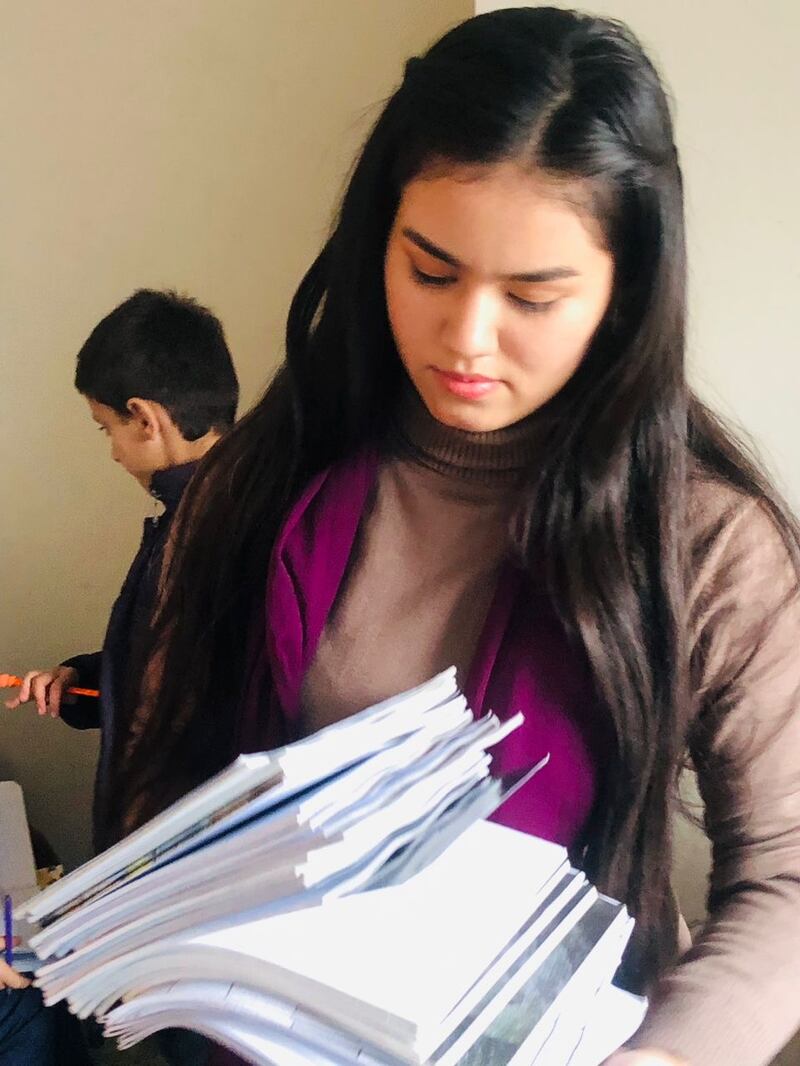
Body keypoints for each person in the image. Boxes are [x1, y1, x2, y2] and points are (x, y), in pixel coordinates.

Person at [115, 9, 800, 1066]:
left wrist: (665, 1056)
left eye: (532, 296)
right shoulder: (256, 483)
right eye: (429, 272)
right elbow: (168, 772)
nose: (465, 339)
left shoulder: (706, 542)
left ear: (620, 294)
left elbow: (785, 876)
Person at [5, 288, 239, 857]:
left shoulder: (213, 532)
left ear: (143, 418)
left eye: (105, 427)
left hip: (183, 849)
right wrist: (80, 682)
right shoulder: (207, 509)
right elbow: (160, 665)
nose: (112, 451)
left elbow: (191, 712)